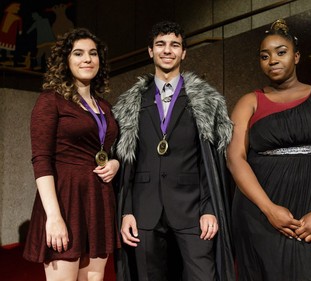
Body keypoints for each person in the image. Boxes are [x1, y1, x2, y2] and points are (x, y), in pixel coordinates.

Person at [227, 19, 311, 281]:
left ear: (296, 57)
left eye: (280, 52)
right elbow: (235, 159)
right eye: (264, 56)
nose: (272, 60)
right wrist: (269, 209)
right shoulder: (249, 102)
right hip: (259, 211)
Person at [112, 21, 235, 281]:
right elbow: (127, 165)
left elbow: (210, 162)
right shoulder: (133, 102)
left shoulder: (203, 100)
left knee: (203, 276)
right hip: (144, 210)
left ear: (183, 53)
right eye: (160, 44)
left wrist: (210, 208)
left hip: (192, 210)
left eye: (174, 45)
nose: (167, 50)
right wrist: (127, 212)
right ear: (150, 51)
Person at [23, 27, 120, 281]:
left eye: (93, 53)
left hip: (98, 200)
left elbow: (109, 148)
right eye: (78, 53)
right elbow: (41, 160)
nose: (87, 59)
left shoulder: (105, 106)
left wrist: (115, 163)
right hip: (65, 201)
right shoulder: (50, 101)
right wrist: (54, 217)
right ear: (65, 61)